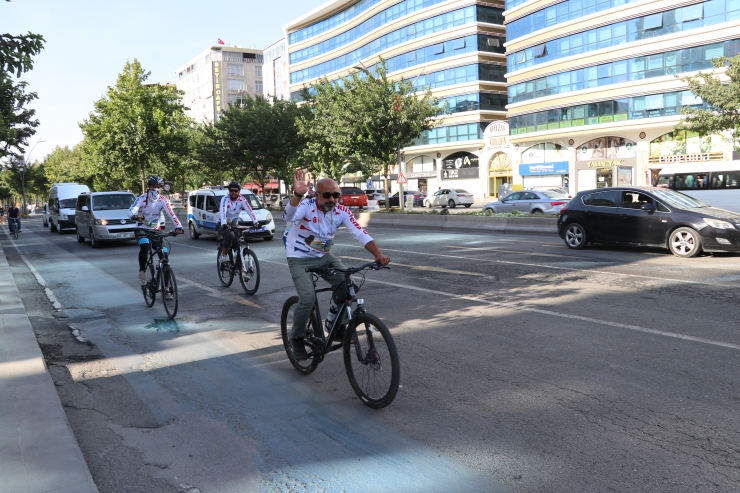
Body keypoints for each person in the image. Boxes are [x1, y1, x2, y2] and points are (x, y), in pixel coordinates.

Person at [283, 171, 390, 361]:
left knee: (348, 289)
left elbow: (360, 233)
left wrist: (378, 254)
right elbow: (288, 217)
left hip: (324, 256)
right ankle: (297, 337)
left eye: (335, 195)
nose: (332, 199)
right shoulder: (306, 206)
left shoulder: (342, 211)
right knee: (307, 299)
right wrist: (298, 195)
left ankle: (335, 325)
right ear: (317, 194)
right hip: (299, 257)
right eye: (327, 195)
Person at [129, 176, 184, 293]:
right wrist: (135, 216)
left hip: (155, 230)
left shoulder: (162, 200)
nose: (157, 189)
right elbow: (132, 210)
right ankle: (142, 271)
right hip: (141, 228)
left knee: (164, 257)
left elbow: (171, 214)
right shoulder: (142, 199)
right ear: (149, 187)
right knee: (145, 246)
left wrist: (179, 226)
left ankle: (167, 288)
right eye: (154, 187)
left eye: (159, 187)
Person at [217, 181, 259, 264]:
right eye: (231, 190)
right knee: (230, 235)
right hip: (222, 223)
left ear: (239, 191)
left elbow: (249, 210)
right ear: (229, 191)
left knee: (238, 241)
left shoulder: (242, 199)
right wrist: (224, 224)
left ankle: (241, 272)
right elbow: (223, 211)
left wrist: (255, 222)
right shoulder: (225, 199)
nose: (233, 192)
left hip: (234, 224)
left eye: (236, 191)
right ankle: (223, 255)